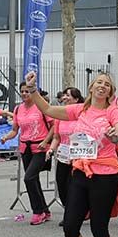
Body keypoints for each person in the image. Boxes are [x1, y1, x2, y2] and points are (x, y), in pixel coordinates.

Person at [26, 71, 118, 237]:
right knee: (71, 226)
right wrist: (32, 90)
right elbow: (48, 110)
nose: (103, 86)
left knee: (99, 228)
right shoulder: (80, 109)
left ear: (111, 92)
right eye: (99, 82)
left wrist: (115, 137)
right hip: (80, 171)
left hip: (105, 173)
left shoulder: (113, 111)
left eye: (107, 85)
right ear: (91, 88)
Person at [0, 83, 52, 224]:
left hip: (40, 147)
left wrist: (46, 141)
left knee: (29, 178)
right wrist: (6, 137)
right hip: (25, 148)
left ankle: (38, 211)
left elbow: (54, 126)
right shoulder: (18, 109)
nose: (24, 94)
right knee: (33, 179)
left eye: (27, 91)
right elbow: (15, 130)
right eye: (22, 91)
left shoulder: (42, 106)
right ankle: (45, 210)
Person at [46, 87, 85, 215]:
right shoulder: (59, 117)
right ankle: (69, 209)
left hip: (78, 157)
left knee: (73, 186)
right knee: (61, 183)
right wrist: (51, 149)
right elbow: (57, 137)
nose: (65, 97)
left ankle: (72, 213)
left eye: (69, 95)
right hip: (63, 155)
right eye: (65, 95)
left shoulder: (82, 116)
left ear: (76, 99)